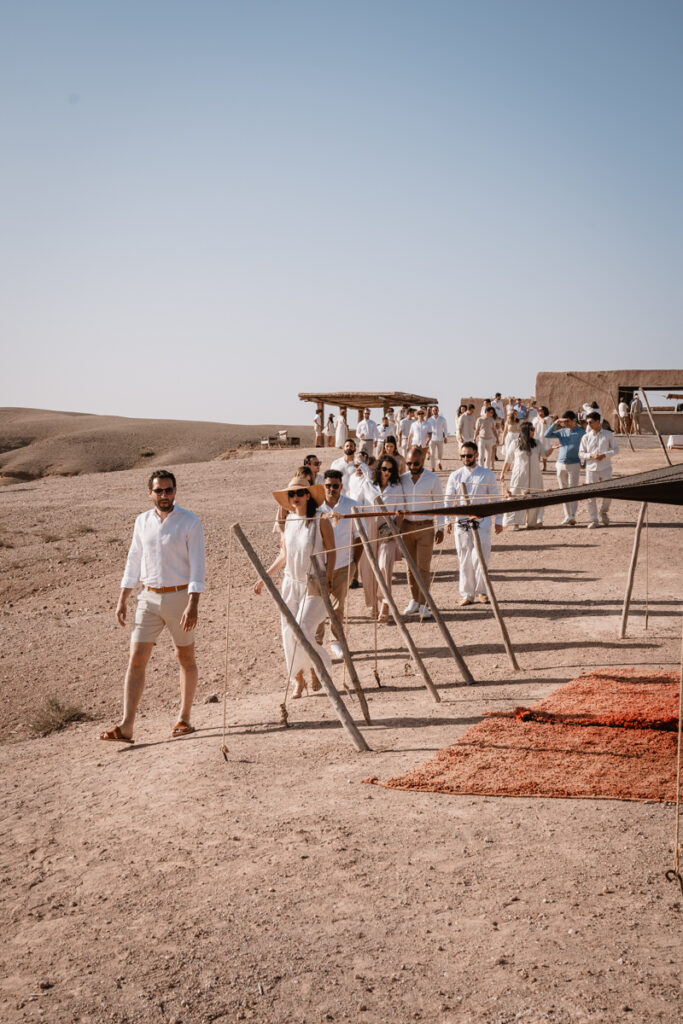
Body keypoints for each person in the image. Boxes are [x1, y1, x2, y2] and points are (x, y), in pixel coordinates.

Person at [99, 470, 205, 743]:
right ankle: (126, 726)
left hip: (180, 597)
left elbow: (198, 566)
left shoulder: (190, 522)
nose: (165, 495)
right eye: (159, 491)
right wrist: (123, 597)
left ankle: (184, 718)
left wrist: (193, 604)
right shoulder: (142, 522)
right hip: (147, 598)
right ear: (150, 493)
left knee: (185, 658)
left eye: (169, 490)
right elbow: (134, 559)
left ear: (175, 491)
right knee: (136, 659)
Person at [254, 474, 335, 698]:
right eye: (292, 494)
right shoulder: (288, 521)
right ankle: (298, 679)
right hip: (291, 583)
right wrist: (265, 577)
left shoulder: (321, 519)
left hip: (314, 583)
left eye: (300, 493)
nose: (296, 497)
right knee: (288, 633)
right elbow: (284, 556)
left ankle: (319, 666)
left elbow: (331, 551)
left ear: (308, 495)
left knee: (303, 628)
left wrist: (328, 578)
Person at [445, 443, 503, 605]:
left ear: (476, 455)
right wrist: (446, 521)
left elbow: (495, 499)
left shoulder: (487, 475)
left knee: (481, 558)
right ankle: (467, 594)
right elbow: (449, 499)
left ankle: (482, 591)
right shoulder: (455, 475)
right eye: (462, 456)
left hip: (482, 523)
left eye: (468, 456)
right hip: (461, 523)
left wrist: (499, 520)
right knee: (464, 559)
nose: (465, 459)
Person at [315, 470, 360, 658]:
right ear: (323, 486)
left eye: (335, 486)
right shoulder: (316, 509)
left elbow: (359, 538)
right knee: (317, 606)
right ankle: (316, 643)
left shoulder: (352, 506)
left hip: (343, 565)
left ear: (341, 486)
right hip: (319, 566)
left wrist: (354, 564)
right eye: (328, 486)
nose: (332, 489)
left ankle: (337, 641)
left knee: (337, 608)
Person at [358, 455, 406, 621]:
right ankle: (373, 604)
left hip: (388, 526)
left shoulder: (397, 487)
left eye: (390, 470)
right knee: (368, 566)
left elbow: (400, 510)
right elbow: (358, 504)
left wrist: (396, 530)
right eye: (384, 469)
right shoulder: (368, 484)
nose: (387, 472)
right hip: (369, 525)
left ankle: (385, 603)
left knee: (384, 564)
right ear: (379, 469)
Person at [400, 446, 445, 618]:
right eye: (409, 463)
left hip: (426, 526)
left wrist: (440, 527)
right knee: (410, 566)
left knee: (423, 567)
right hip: (406, 526)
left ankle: (424, 603)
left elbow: (440, 504)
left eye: (415, 463)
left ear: (423, 460)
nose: (412, 467)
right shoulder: (402, 479)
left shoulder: (432, 479)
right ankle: (414, 600)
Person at [500, 421, 544, 530]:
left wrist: (553, 448)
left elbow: (544, 454)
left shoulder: (537, 443)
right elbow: (508, 460)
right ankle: (515, 523)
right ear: (525, 431)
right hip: (519, 475)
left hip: (535, 475)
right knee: (516, 497)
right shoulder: (515, 443)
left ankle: (531, 522)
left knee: (534, 497)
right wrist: (502, 473)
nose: (534, 431)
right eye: (532, 429)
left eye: (533, 429)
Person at [544, 411, 585, 525]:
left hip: (574, 464)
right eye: (564, 421)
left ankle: (572, 515)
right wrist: (556, 422)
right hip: (560, 464)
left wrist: (584, 463)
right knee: (563, 491)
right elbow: (546, 434)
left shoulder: (581, 433)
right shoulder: (561, 432)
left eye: (568, 421)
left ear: (574, 420)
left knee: (573, 490)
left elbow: (587, 447)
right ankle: (567, 515)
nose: (566, 424)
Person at [579, 412, 618, 527]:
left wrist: (604, 454)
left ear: (598, 421)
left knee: (608, 493)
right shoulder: (586, 437)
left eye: (590, 422)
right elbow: (581, 453)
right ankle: (594, 519)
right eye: (587, 423)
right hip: (591, 469)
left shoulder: (608, 435)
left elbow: (616, 449)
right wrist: (591, 455)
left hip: (605, 467)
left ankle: (603, 512)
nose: (588, 425)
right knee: (590, 494)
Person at [427, 405, 448, 471]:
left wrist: (446, 437)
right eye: (433, 410)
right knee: (432, 454)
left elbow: (445, 428)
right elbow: (427, 430)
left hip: (440, 439)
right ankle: (433, 467)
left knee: (440, 453)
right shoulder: (429, 420)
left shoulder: (442, 419)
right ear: (431, 411)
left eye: (436, 410)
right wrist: (427, 439)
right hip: (432, 439)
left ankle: (439, 462)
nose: (435, 411)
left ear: (438, 410)